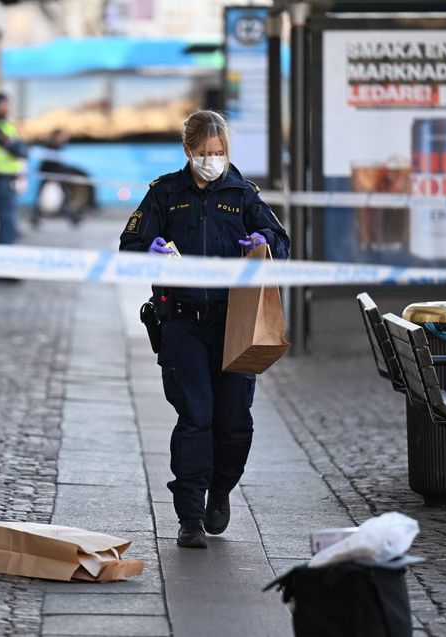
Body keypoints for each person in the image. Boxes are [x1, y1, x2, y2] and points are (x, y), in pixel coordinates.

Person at [119, 110, 290, 549]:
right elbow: (130, 245)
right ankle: (190, 515)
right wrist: (149, 250)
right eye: (203, 153)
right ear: (188, 151)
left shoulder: (241, 192)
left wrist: (264, 244)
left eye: (218, 153)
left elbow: (280, 242)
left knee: (234, 422)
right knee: (195, 417)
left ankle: (221, 490)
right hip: (181, 323)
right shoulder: (164, 193)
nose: (211, 160)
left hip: (235, 324)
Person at [0, 92, 27, 248]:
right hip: (0, 180)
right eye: (3, 104)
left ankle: (2, 264)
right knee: (7, 225)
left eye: (7, 104)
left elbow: (22, 150)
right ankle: (0, 266)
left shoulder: (8, 127)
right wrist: (15, 147)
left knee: (10, 225)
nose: (6, 108)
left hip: (10, 181)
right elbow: (17, 149)